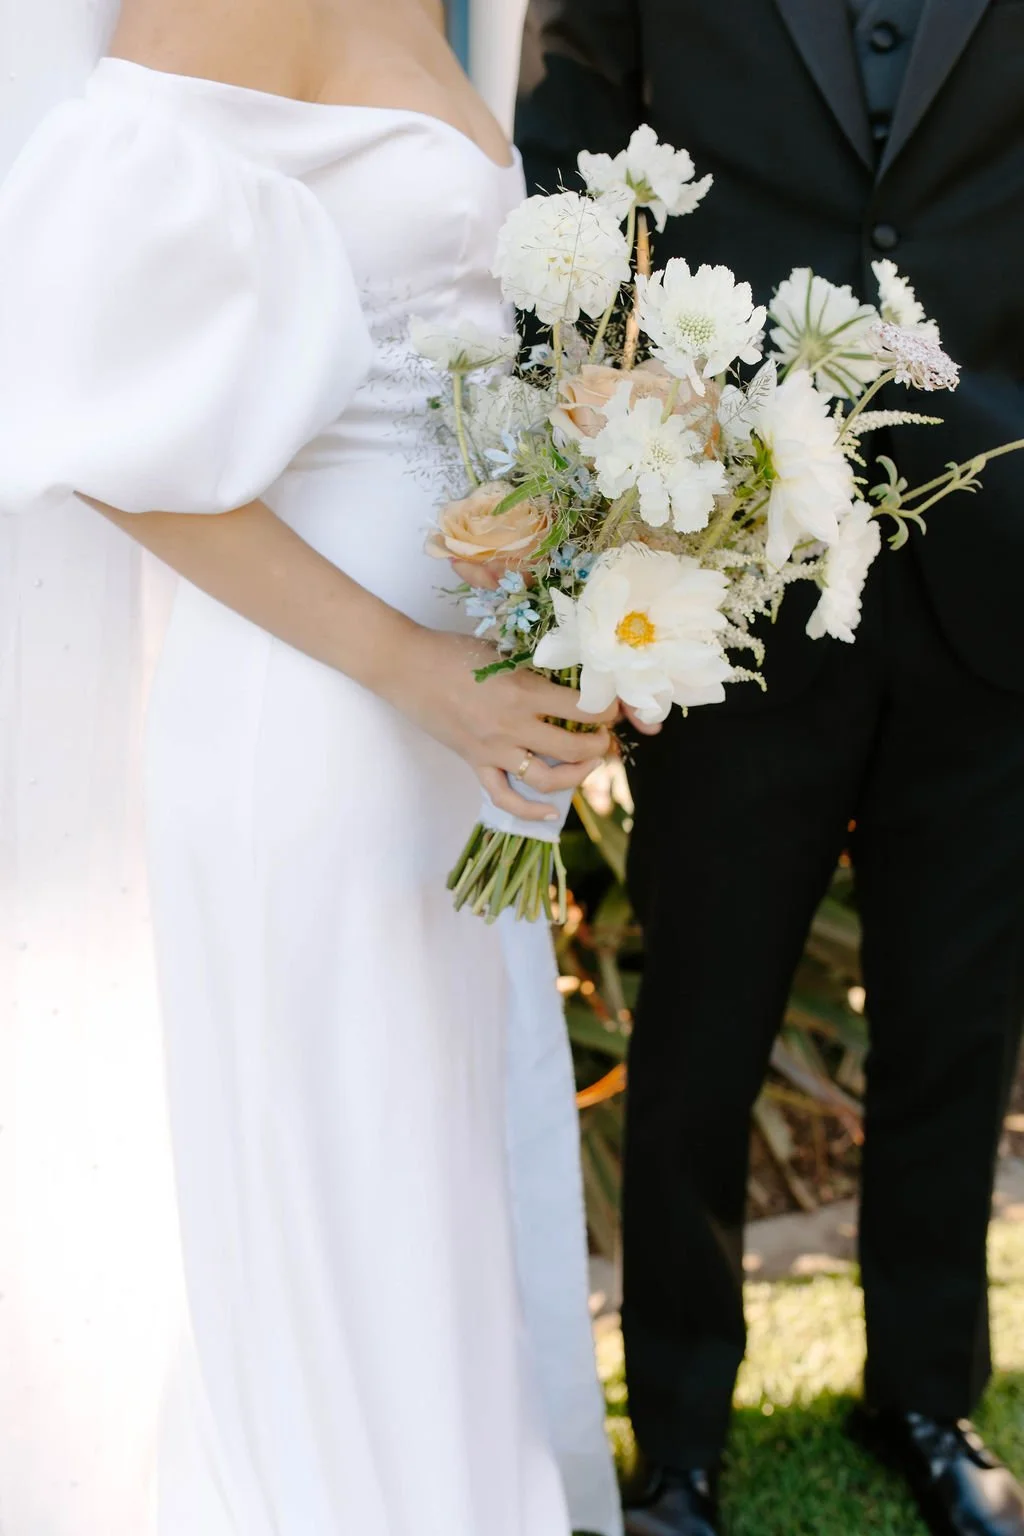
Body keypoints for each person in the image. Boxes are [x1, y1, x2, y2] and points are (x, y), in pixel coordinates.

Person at [0, 2, 623, 1532]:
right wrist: (416, 671)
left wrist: (608, 615)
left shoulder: (441, 6)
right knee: (344, 1202)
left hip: (456, 723)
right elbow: (101, 430)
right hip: (316, 720)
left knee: (428, 1204)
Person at [516, 4, 1024, 1535]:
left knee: (957, 1026)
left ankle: (927, 1397)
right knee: (701, 1036)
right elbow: (570, 169)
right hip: (730, 569)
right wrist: (599, 475)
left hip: (993, 553)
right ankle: (677, 1434)